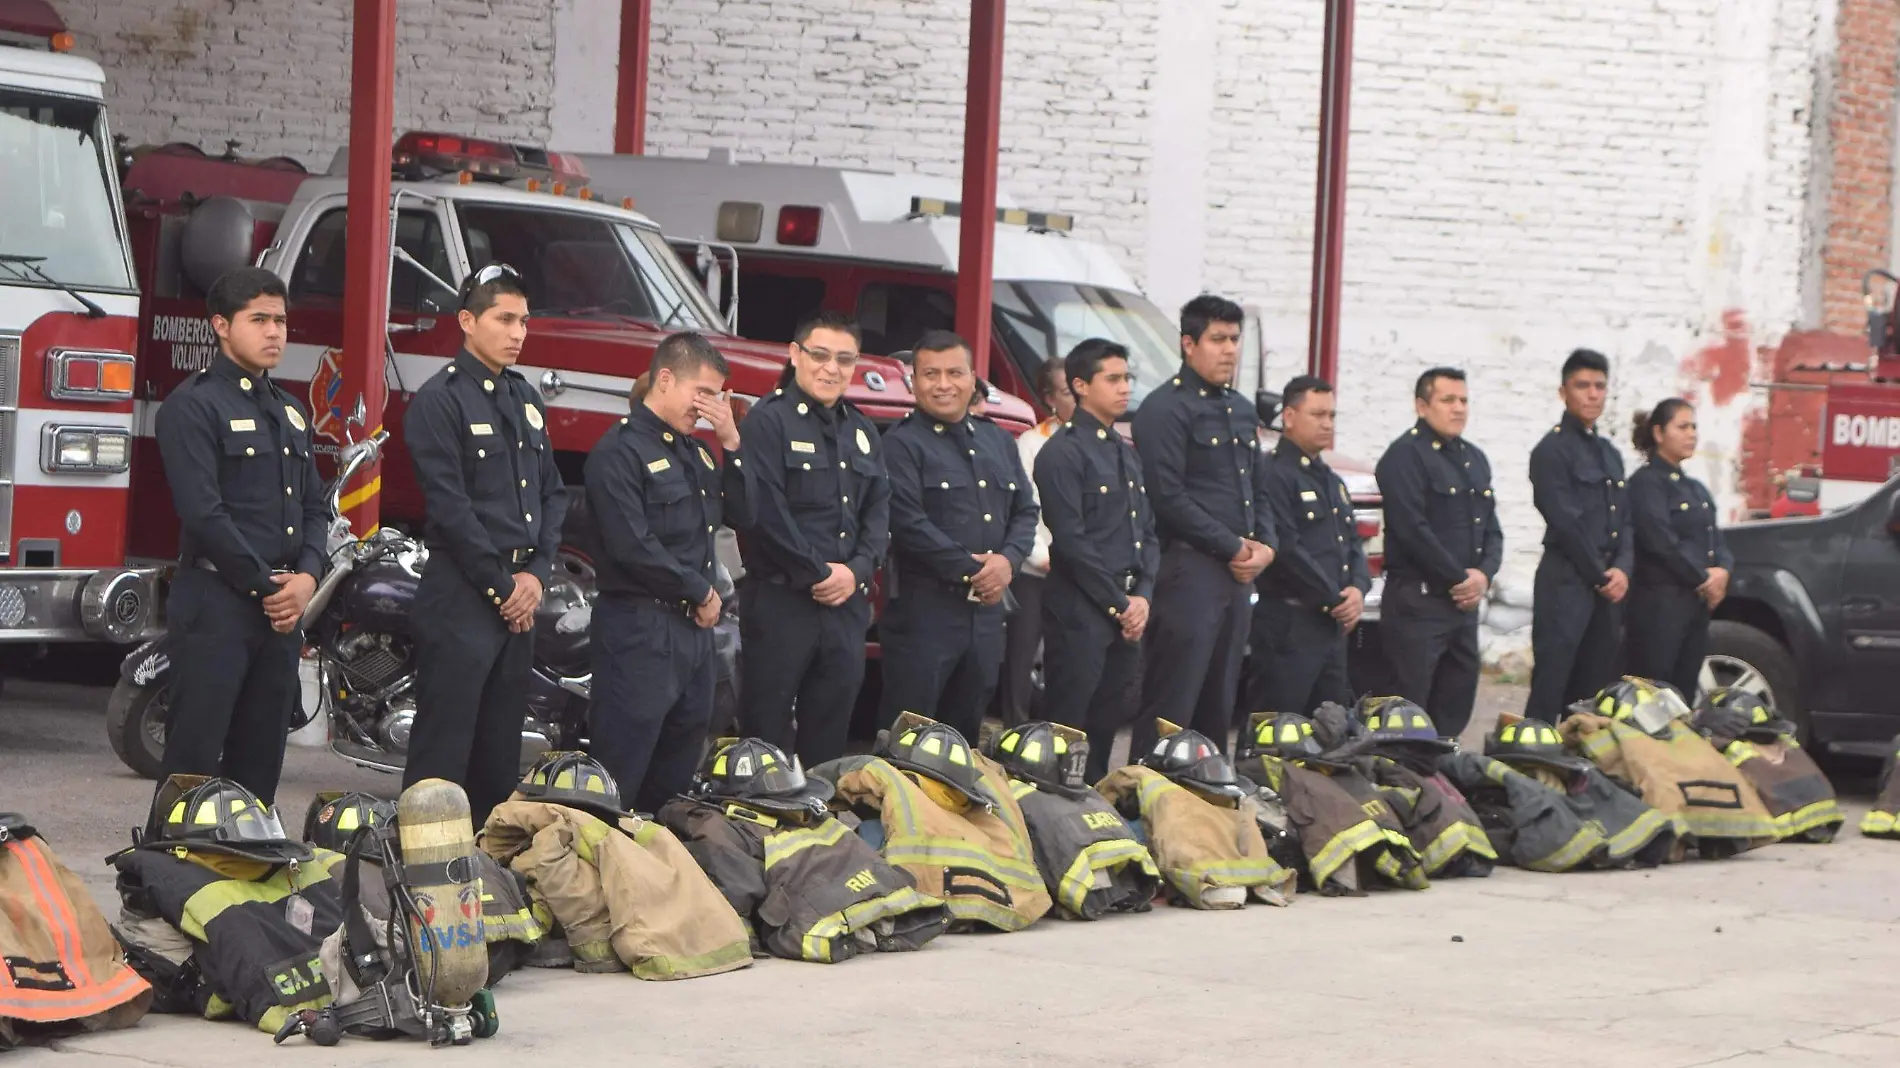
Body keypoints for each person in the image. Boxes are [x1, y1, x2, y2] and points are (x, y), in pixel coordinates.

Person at [403, 264, 568, 829]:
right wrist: (505, 587)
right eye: (504, 319)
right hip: (464, 597)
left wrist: (536, 576)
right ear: (468, 321)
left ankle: (483, 868)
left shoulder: (524, 398)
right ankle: (425, 868)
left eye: (524, 321)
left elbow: (551, 494)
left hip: (517, 601)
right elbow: (451, 510)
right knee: (443, 751)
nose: (518, 332)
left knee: (499, 753)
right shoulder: (439, 400)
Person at [153, 267, 325, 804]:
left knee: (259, 769)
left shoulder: (292, 412)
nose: (275, 331)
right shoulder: (194, 405)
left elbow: (316, 505)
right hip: (217, 608)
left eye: (281, 320)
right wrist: (269, 587)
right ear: (222, 326)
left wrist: (308, 578)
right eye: (259, 319)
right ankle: (168, 877)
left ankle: (246, 878)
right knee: (193, 768)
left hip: (279, 616)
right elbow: (204, 514)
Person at [584, 331, 743, 813]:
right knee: (623, 766)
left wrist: (732, 442)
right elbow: (632, 545)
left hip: (692, 631)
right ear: (667, 379)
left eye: (718, 394)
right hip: (640, 626)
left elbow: (746, 515)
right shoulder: (619, 451)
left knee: (677, 766)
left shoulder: (696, 453)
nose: (710, 405)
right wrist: (700, 589)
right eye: (704, 392)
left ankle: (660, 866)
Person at [733, 311, 890, 765]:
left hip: (845, 606)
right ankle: (752, 827)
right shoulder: (769, 421)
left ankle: (818, 825)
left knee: (830, 732)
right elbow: (766, 515)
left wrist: (857, 571)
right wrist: (819, 573)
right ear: (795, 354)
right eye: (819, 355)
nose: (831, 368)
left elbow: (879, 510)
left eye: (844, 359)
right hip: (784, 603)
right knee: (764, 730)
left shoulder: (861, 431)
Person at [877, 330, 1038, 741]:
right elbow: (908, 522)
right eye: (931, 374)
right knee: (910, 736)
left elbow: (1026, 511)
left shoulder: (997, 440)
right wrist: (975, 571)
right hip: (925, 614)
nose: (944, 384)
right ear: (914, 381)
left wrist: (1007, 563)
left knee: (965, 735)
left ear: (972, 379)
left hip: (985, 616)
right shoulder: (900, 444)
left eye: (954, 373)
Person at [1132, 295, 1276, 750]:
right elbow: (1168, 496)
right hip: (1187, 571)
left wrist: (1267, 545)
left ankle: (1208, 801)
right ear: (1188, 344)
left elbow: (1257, 487)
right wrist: (1234, 547)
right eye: (1218, 339)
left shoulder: (1240, 408)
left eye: (1234, 339)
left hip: (1235, 577)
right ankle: (1146, 796)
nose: (1229, 349)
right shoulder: (1164, 409)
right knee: (1172, 702)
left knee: (1219, 700)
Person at [1033, 339, 1159, 781]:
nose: (1125, 387)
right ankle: (1054, 814)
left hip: (1126, 609)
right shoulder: (1062, 452)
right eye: (1114, 379)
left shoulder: (1125, 452)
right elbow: (1072, 542)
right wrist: (1119, 604)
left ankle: (1096, 806)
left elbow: (1145, 532)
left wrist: (1141, 595)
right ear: (1081, 385)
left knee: (1108, 722)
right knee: (1069, 723)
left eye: (1127, 378)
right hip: (1082, 609)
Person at [1373, 367, 1504, 740]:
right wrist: (1459, 579)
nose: (1459, 408)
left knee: (1455, 703)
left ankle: (1444, 783)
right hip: (1420, 605)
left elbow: (1491, 528)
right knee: (1409, 713)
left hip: (1461, 608)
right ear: (1421, 405)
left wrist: (1484, 574)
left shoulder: (1473, 458)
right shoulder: (1404, 457)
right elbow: (1413, 530)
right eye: (1448, 400)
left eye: (1464, 400)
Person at [1244, 376, 1368, 719]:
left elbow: (1352, 544)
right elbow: (1287, 548)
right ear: (1289, 416)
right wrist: (1335, 598)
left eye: (1331, 415)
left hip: (1330, 625)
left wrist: (1357, 589)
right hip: (1289, 623)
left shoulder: (1330, 480)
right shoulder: (1274, 474)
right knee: (1277, 727)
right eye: (1317, 415)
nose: (1327, 424)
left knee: (1329, 729)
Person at [1524, 349, 1630, 723]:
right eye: (1582, 385)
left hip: (1606, 587)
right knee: (1552, 683)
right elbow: (1566, 523)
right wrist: (1601, 575)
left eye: (1600, 386)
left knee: (1594, 687)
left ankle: (1583, 770)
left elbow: (1624, 520)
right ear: (1563, 392)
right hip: (1567, 580)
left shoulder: (1609, 453)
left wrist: (1622, 569)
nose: (1592, 394)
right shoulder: (1551, 451)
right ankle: (1532, 763)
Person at [1625, 399, 1731, 702]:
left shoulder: (1695, 488)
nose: (1692, 434)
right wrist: (1704, 577)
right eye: (1682, 427)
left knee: (1682, 694)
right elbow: (1661, 541)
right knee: (1652, 692)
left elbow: (1716, 538)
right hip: (1660, 605)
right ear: (1659, 433)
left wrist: (1723, 570)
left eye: (1694, 427)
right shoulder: (1646, 484)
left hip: (1694, 605)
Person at [996, 358, 1076, 725]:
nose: (1074, 399)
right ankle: (1016, 728)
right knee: (1023, 655)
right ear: (1048, 398)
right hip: (1037, 568)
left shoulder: (1098, 443)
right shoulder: (1031, 443)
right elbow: (1025, 507)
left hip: (1080, 573)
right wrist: (1042, 556)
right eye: (1065, 393)